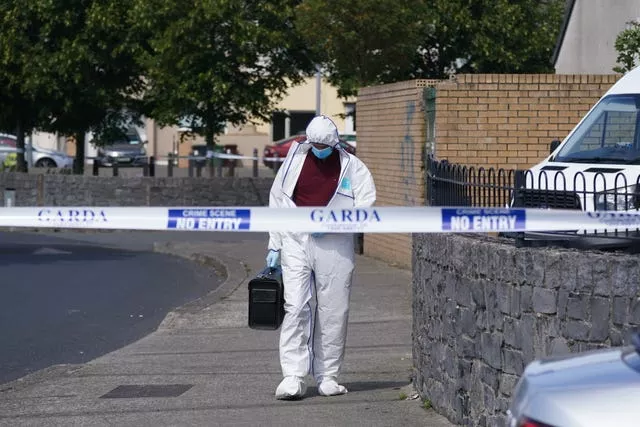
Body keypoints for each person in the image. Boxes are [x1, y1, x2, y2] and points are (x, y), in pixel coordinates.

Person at [265, 115, 376, 400]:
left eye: (323, 145)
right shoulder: (294, 160)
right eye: (314, 144)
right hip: (295, 240)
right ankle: (293, 376)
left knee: (333, 309)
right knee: (295, 307)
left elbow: (366, 209)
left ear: (334, 143)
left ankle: (329, 375)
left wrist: (332, 224)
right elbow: (277, 201)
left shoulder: (354, 168)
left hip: (335, 245)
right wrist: (274, 244)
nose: (318, 148)